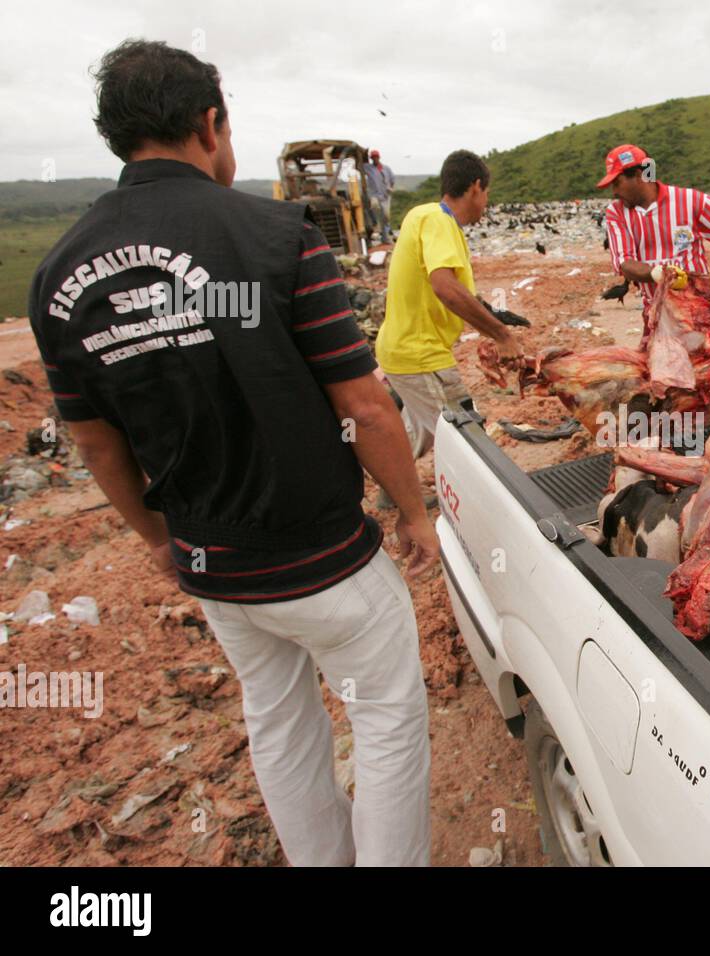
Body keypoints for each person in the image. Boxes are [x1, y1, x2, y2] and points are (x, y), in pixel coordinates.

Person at [28, 40, 438, 867]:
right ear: (210, 124)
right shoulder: (276, 234)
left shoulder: (57, 275)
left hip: (214, 568)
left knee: (279, 722)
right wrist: (413, 510)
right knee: (386, 721)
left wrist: (157, 540)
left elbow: (98, 446)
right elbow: (362, 404)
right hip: (326, 561)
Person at [376, 149, 521, 464]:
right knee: (469, 439)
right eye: (486, 194)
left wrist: (498, 319)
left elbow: (455, 291)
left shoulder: (422, 215)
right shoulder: (439, 221)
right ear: (475, 187)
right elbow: (445, 287)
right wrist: (501, 335)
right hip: (420, 355)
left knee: (423, 433)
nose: (486, 202)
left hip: (399, 350)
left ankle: (391, 491)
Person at [597, 143, 710, 337]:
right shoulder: (617, 213)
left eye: (617, 183)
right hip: (657, 316)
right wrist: (658, 273)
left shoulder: (689, 199)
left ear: (638, 175)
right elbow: (625, 262)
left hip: (700, 312)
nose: (614, 192)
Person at [364, 148, 396, 243]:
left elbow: (392, 180)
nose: (375, 159)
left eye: (376, 157)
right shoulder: (368, 167)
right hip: (374, 195)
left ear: (379, 157)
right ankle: (376, 224)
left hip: (385, 196)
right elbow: (357, 166)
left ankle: (385, 237)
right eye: (373, 157)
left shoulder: (386, 169)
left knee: (386, 217)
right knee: (374, 208)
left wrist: (390, 188)